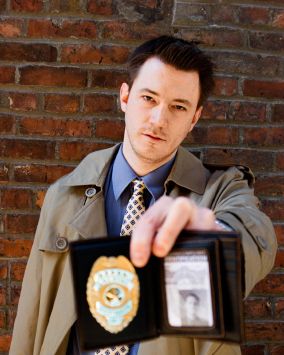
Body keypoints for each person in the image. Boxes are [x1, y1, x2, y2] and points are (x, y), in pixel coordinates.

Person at [10, 36, 277, 355]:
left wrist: (216, 243)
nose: (158, 120)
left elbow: (252, 231)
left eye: (178, 107)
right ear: (125, 96)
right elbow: (33, 315)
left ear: (194, 118)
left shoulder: (221, 190)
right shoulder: (64, 194)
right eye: (149, 98)